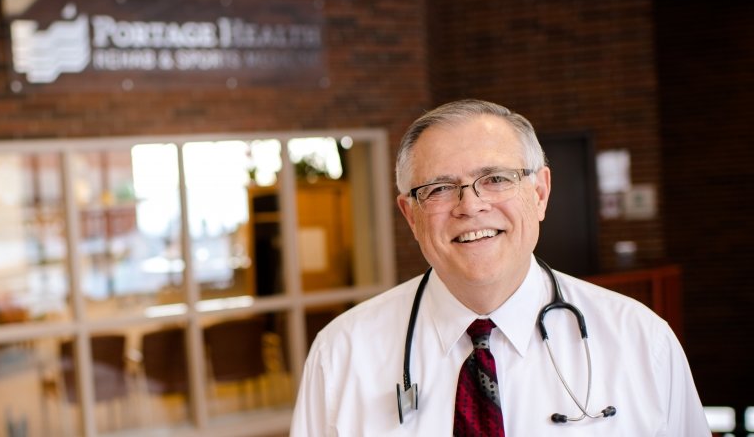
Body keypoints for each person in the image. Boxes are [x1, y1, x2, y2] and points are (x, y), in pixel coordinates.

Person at [290, 99, 709, 436]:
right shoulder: (340, 355)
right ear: (410, 214)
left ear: (540, 192)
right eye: (439, 188)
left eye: (496, 179)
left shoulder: (641, 340)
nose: (470, 205)